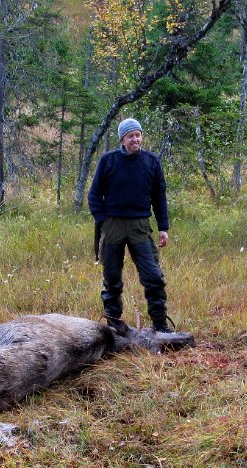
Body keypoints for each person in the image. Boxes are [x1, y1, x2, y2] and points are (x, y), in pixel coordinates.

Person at [88, 118, 172, 334]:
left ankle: (160, 326)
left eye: (138, 134)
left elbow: (159, 197)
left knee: (153, 276)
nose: (135, 139)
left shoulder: (151, 161)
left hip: (140, 226)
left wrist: (163, 227)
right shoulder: (108, 161)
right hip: (113, 225)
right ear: (122, 139)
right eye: (130, 136)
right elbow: (95, 194)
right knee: (112, 278)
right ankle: (114, 327)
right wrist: (102, 220)